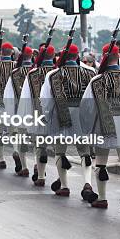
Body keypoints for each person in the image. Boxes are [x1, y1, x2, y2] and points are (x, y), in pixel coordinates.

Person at [80, 44, 120, 212]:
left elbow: (87, 107)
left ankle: (102, 197)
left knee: (100, 163)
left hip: (103, 124)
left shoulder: (97, 80)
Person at [40, 44, 97, 200]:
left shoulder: (53, 74)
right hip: (82, 115)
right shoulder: (90, 72)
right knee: (84, 151)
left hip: (60, 114)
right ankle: (87, 183)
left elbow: (46, 100)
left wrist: (47, 116)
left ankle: (64, 186)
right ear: (77, 55)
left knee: (60, 151)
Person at [19, 45, 56, 187]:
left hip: (38, 115)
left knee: (40, 147)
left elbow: (26, 99)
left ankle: (41, 176)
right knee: (59, 150)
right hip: (58, 116)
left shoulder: (33, 73)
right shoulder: (58, 71)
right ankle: (61, 180)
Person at [3, 46, 34, 177]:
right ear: (32, 56)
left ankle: (24, 166)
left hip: (19, 110)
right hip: (38, 110)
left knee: (20, 137)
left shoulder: (15, 73)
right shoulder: (37, 71)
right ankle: (39, 169)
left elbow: (8, 96)